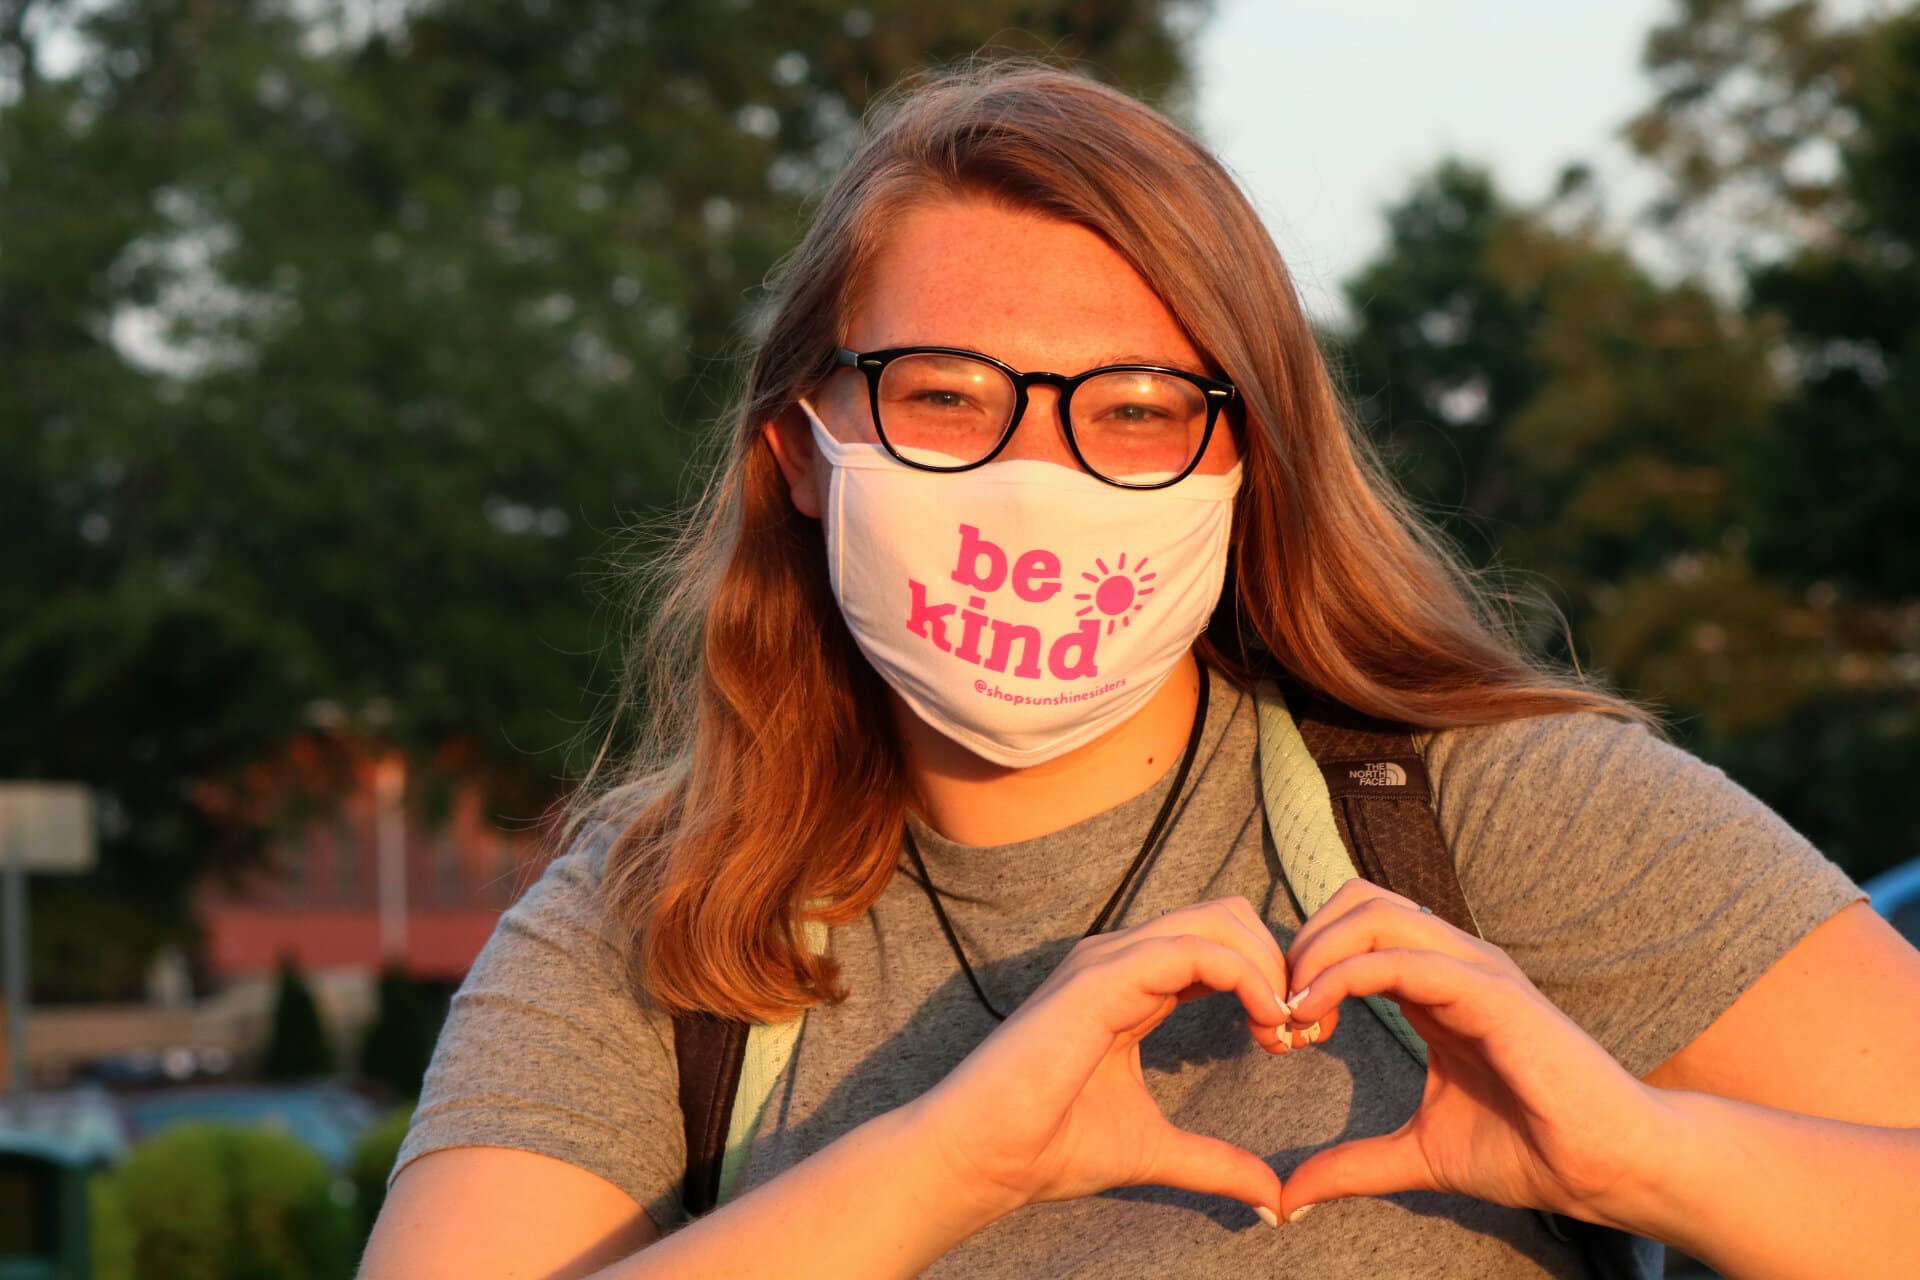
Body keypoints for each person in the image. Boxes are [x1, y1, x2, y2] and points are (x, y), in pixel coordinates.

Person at [358, 63, 1920, 1280]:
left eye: (1132, 409)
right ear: (805, 451)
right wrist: (945, 1161)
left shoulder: (1491, 817)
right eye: (948, 396)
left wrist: (1638, 1157)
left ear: (1243, 460)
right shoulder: (657, 933)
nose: (1036, 471)